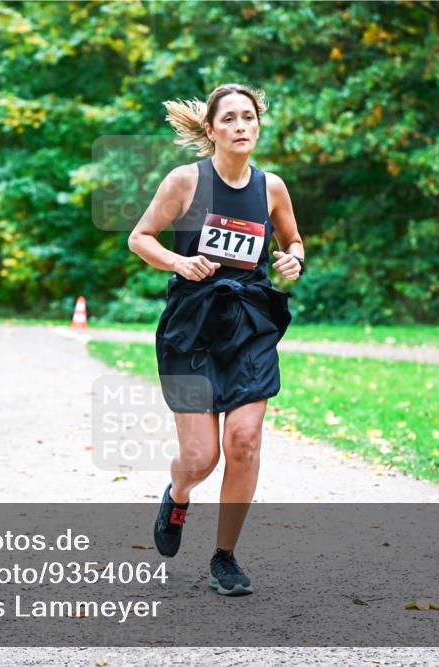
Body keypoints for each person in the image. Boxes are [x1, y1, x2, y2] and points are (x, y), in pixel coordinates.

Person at [128, 83, 305, 596]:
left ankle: (225, 557)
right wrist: (181, 261)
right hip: (192, 326)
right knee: (202, 457)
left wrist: (293, 257)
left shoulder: (271, 187)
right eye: (228, 119)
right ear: (211, 130)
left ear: (257, 124)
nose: (240, 126)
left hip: (249, 322)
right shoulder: (186, 181)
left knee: (244, 442)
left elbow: (292, 239)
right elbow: (139, 238)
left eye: (247, 117)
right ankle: (178, 495)